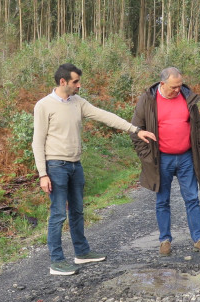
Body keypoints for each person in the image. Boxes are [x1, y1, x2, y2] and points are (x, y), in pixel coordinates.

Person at [33, 63, 157, 275]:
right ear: (63, 82)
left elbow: (104, 115)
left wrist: (136, 130)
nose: (79, 85)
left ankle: (81, 253)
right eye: (75, 82)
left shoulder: (78, 102)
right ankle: (56, 261)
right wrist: (43, 174)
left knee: (78, 211)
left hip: (75, 165)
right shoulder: (44, 105)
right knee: (58, 214)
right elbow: (37, 141)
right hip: (56, 166)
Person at [131, 66, 200, 257]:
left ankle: (199, 239)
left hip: (186, 157)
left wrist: (199, 150)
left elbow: (198, 127)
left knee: (192, 198)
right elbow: (135, 130)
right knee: (162, 201)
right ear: (162, 83)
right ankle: (165, 241)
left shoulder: (187, 97)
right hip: (161, 159)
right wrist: (147, 157)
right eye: (174, 87)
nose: (178, 90)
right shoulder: (148, 100)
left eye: (180, 86)